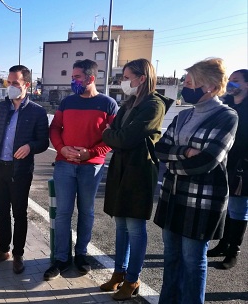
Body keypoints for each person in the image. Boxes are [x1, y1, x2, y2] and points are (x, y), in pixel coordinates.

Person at [153, 58, 238, 304]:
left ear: (209, 86)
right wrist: (184, 152)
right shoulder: (183, 115)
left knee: (193, 260)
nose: (184, 86)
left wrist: (173, 160)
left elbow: (206, 162)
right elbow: (160, 149)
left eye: (190, 82)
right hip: (172, 195)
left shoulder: (226, 117)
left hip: (202, 201)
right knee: (171, 257)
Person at [100, 59, 173, 300]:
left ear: (142, 78)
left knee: (135, 226)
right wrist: (113, 135)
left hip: (139, 170)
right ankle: (119, 273)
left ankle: (132, 278)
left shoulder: (154, 105)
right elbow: (116, 132)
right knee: (120, 224)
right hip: (121, 167)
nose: (124, 82)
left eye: (128, 77)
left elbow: (123, 137)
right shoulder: (131, 102)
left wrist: (110, 135)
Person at [44, 59, 118, 280]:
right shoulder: (66, 103)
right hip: (64, 164)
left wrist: (90, 154)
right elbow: (55, 127)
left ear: (91, 78)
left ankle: (81, 255)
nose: (73, 81)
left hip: (91, 168)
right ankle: (61, 258)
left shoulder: (108, 104)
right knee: (63, 212)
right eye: (73, 77)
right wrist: (61, 148)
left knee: (86, 211)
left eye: (76, 77)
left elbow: (112, 138)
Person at [0, 65, 49, 274]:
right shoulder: (1, 108)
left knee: (19, 214)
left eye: (15, 83)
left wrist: (30, 146)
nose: (10, 87)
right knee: (1, 212)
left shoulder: (37, 112)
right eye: (8, 83)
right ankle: (3, 249)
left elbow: (43, 142)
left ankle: (18, 254)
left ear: (26, 85)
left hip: (19, 172)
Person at [207, 69, 248, 269]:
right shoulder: (227, 106)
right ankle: (223, 244)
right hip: (225, 163)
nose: (231, 84)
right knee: (226, 207)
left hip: (243, 167)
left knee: (239, 210)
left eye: (236, 81)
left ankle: (233, 251)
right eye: (230, 80)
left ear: (247, 85)